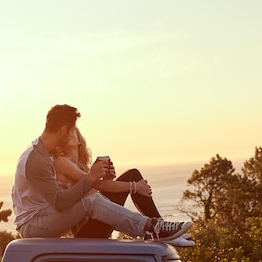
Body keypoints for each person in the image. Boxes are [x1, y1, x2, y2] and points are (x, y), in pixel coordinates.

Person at [12, 104, 192, 242]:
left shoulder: (42, 153)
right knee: (90, 200)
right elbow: (59, 203)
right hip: (33, 225)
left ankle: (151, 227)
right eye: (72, 130)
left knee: (91, 196)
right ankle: (152, 227)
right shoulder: (37, 160)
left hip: (43, 217)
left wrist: (99, 180)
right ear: (63, 130)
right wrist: (90, 179)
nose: (74, 135)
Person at [52, 126, 195, 246]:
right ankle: (161, 229)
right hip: (86, 232)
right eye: (66, 133)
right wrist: (134, 187)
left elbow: (95, 191)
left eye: (73, 131)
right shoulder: (61, 162)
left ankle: (162, 230)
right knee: (132, 175)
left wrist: (108, 178)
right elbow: (95, 188)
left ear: (79, 140)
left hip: (97, 223)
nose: (70, 134)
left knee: (133, 175)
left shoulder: (81, 167)